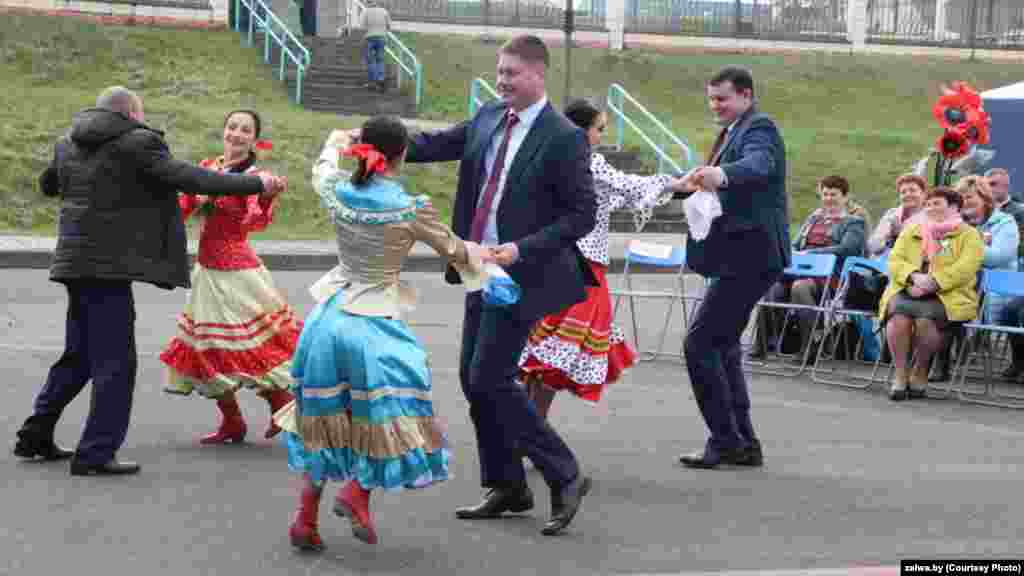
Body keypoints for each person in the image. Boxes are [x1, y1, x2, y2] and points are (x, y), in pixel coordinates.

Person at [12, 86, 284, 476]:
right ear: (131, 115)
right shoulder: (137, 142)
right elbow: (190, 178)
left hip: (73, 264)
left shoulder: (68, 141)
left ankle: (35, 434)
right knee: (115, 363)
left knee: (80, 355)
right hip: (108, 269)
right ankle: (96, 453)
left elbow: (49, 185)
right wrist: (257, 183)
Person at [404, 35, 596, 536]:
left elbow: (582, 215)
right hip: (477, 267)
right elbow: (437, 144)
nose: (502, 79)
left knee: (489, 377)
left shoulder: (563, 136)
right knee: (475, 378)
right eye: (500, 70)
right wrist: (378, 138)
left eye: (511, 72)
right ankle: (507, 485)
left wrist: (522, 247)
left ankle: (565, 473)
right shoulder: (490, 116)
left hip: (522, 274)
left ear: (538, 74)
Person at [276, 118, 487, 551]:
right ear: (402, 155)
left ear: (363, 149)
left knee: (326, 422)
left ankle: (305, 518)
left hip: (328, 319)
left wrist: (341, 139)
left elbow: (323, 163)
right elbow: (457, 250)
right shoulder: (409, 208)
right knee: (387, 414)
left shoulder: (338, 189)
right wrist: (494, 262)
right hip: (372, 325)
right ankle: (357, 493)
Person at [518, 97, 679, 419]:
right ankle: (532, 432)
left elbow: (609, 197)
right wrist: (675, 182)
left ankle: (526, 429)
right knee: (558, 352)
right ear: (580, 131)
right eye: (599, 129)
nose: (601, 137)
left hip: (553, 260)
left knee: (546, 351)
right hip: (583, 265)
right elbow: (628, 185)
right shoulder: (588, 161)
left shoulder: (553, 158)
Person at [159, 109, 300, 445]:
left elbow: (255, 221)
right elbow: (181, 208)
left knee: (254, 346)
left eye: (245, 130)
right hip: (208, 271)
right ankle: (232, 421)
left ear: (254, 139)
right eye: (232, 127)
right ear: (224, 131)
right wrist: (187, 197)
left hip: (239, 272)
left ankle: (282, 408)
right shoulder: (208, 168)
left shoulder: (255, 176)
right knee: (203, 347)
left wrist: (265, 196)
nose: (236, 134)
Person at [674, 65, 789, 470]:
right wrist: (680, 185)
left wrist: (720, 173)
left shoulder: (760, 128)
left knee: (699, 344)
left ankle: (725, 440)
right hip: (739, 256)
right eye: (711, 98)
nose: (714, 106)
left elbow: (759, 165)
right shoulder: (735, 129)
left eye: (721, 98)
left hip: (750, 256)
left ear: (745, 95)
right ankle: (742, 443)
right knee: (720, 347)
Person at [879, 186, 984, 401]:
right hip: (907, 287)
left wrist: (933, 282)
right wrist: (913, 277)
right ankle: (900, 375)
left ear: (954, 207)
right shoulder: (912, 230)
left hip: (947, 294)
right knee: (898, 317)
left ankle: (920, 370)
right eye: (927, 204)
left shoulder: (970, 235)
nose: (930, 207)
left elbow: (966, 268)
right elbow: (895, 260)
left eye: (937, 203)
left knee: (926, 321)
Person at [756, 175, 865, 359]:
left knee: (800, 288)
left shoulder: (854, 223)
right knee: (773, 287)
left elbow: (847, 248)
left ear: (845, 197)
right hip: (800, 270)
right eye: (825, 194)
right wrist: (790, 251)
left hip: (831, 277)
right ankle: (763, 343)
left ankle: (810, 346)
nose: (829, 198)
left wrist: (812, 254)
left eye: (834, 194)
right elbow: (797, 244)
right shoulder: (814, 218)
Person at [956, 174, 1019, 324]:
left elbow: (998, 258)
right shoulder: (955, 224)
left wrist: (967, 242)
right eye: (961, 198)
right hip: (960, 291)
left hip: (997, 294)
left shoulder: (1005, 222)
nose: (964, 202)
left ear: (985, 198)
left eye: (969, 197)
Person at [867, 174, 929, 259]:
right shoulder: (891, 213)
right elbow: (872, 246)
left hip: (909, 267)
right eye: (903, 192)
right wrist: (888, 238)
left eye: (912, 190)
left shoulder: (931, 217)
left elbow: (927, 252)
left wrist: (900, 234)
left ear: (924, 194)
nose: (907, 194)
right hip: (878, 264)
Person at [360, 1, 391, 92]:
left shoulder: (366, 12)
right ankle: (381, 78)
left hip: (369, 37)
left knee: (370, 60)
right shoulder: (384, 11)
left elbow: (362, 26)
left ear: (368, 3)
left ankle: (373, 80)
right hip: (381, 37)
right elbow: (389, 26)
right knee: (380, 59)